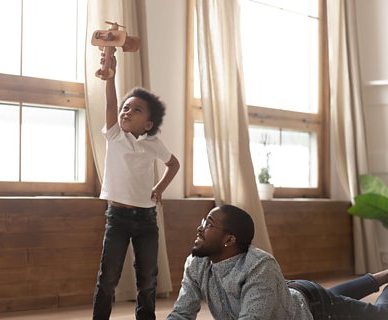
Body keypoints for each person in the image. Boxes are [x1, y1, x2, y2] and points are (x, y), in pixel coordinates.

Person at [167, 204, 388, 320]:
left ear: (229, 239)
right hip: (289, 293)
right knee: (334, 297)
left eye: (208, 224)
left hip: (314, 309)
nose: (200, 227)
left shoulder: (259, 266)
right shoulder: (196, 264)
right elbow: (182, 313)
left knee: (381, 316)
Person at [92, 51, 180, 320]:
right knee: (108, 278)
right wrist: (111, 77)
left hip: (146, 219)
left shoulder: (153, 144)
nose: (126, 111)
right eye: (125, 108)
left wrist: (159, 188)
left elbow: (173, 164)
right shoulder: (115, 135)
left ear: (148, 124)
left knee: (148, 279)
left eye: (136, 109)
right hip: (116, 218)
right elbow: (110, 104)